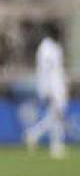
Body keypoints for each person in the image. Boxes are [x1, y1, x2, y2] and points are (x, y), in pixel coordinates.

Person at [25, 23, 69, 159]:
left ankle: (55, 146)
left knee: (56, 116)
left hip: (58, 85)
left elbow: (58, 69)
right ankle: (34, 134)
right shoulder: (46, 48)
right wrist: (47, 89)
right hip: (52, 86)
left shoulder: (54, 47)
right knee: (56, 114)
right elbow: (45, 71)